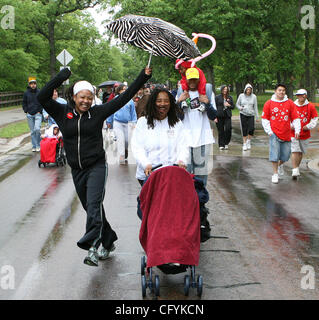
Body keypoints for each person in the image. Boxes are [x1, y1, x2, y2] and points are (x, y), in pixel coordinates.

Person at [37, 66, 152, 267]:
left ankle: (92, 246)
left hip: (97, 166)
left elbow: (124, 99)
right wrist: (61, 76)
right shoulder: (62, 112)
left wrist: (143, 77)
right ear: (74, 97)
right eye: (82, 97)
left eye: (89, 97)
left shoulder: (98, 113)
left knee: (93, 205)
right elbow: (42, 96)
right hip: (77, 169)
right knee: (92, 207)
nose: (86, 101)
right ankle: (108, 240)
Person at [131, 87, 189, 186]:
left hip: (171, 175)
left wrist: (182, 160)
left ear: (170, 103)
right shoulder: (143, 122)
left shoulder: (177, 123)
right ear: (153, 103)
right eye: (159, 101)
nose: (163, 104)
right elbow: (137, 147)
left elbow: (183, 145)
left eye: (166, 101)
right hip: (149, 175)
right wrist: (145, 164)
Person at [176, 67, 217, 186]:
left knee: (201, 174)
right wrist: (179, 102)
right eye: (190, 80)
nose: (192, 82)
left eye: (195, 80)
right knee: (184, 173)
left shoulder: (206, 93)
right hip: (185, 140)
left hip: (203, 139)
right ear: (186, 80)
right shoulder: (181, 93)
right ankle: (186, 202)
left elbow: (213, 116)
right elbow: (177, 118)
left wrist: (207, 104)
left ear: (199, 80)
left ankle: (201, 202)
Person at [261, 83, 300, 184]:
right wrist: (269, 131)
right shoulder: (269, 103)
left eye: (283, 90)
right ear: (275, 91)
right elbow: (265, 119)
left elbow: (295, 118)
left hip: (286, 133)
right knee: (274, 154)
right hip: (274, 133)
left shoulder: (290, 103)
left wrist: (297, 130)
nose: (281, 92)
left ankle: (280, 164)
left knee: (285, 156)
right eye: (279, 90)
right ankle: (275, 174)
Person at [105, 84, 137, 164]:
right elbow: (111, 111)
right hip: (117, 122)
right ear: (119, 90)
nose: (125, 90)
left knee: (127, 140)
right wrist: (109, 121)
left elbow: (133, 113)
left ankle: (125, 149)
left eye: (126, 89)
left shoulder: (130, 100)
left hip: (128, 124)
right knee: (120, 139)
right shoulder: (115, 99)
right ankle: (121, 155)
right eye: (123, 89)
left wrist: (134, 122)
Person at [291, 89, 318, 178]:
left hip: (305, 133)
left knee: (300, 152)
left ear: (305, 95)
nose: (300, 97)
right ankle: (294, 169)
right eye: (298, 95)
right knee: (295, 150)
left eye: (301, 95)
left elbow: (315, 118)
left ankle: (297, 167)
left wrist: (308, 126)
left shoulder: (310, 106)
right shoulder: (293, 105)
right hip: (293, 133)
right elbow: (288, 117)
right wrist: (291, 125)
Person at [22, 77, 43, 152]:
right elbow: (24, 103)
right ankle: (34, 146)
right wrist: (26, 110)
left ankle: (39, 145)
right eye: (31, 84)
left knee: (37, 129)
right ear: (29, 84)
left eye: (34, 83)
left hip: (38, 114)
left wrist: (40, 111)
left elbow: (42, 102)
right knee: (32, 131)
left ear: (36, 84)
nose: (33, 85)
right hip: (29, 114)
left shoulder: (39, 92)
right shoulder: (26, 93)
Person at [236, 84, 259, 151]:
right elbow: (237, 104)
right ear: (245, 89)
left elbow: (255, 107)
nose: (248, 91)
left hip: (251, 114)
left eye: (250, 89)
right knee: (244, 129)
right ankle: (244, 143)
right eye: (247, 89)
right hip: (243, 114)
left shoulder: (254, 97)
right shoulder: (241, 96)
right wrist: (240, 108)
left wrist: (257, 116)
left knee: (251, 128)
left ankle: (249, 141)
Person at [215, 85, 235, 150]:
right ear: (221, 90)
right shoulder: (217, 97)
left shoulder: (230, 97)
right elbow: (214, 107)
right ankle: (221, 144)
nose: (225, 90)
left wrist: (229, 105)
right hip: (219, 115)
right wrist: (214, 117)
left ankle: (226, 142)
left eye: (226, 89)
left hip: (227, 116)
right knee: (221, 131)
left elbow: (233, 106)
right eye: (224, 89)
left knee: (228, 129)